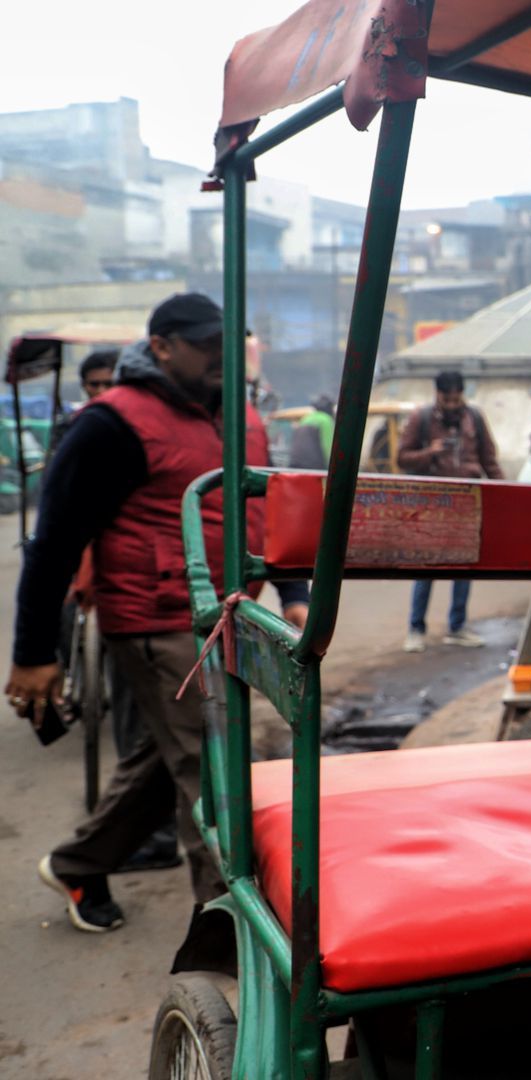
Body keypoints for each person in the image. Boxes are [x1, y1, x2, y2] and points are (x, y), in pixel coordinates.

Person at [8, 293, 310, 932]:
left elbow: (268, 509)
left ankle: (78, 864)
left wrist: (295, 592)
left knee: (171, 757)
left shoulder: (242, 415)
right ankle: (231, 930)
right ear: (164, 346)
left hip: (230, 617)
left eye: (226, 345)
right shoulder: (111, 423)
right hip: (158, 619)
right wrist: (35, 652)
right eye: (205, 345)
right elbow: (56, 540)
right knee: (216, 770)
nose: (219, 358)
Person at [55, 345, 180, 873]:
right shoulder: (84, 429)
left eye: (108, 382)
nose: (100, 392)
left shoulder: (148, 429)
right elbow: (61, 522)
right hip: (110, 586)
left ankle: (114, 845)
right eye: (91, 385)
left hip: (152, 595)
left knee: (160, 725)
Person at [397, 370, 503, 652]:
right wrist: (430, 452)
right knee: (425, 567)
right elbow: (402, 458)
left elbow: (489, 461)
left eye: (457, 399)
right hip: (431, 503)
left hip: (467, 502)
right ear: (438, 395)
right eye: (447, 399)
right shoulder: (421, 419)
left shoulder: (475, 419)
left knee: (464, 565)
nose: (453, 405)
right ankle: (416, 628)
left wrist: (504, 493)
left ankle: (457, 627)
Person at [287, 393, 335, 471]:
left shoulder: (305, 418)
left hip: (295, 464)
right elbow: (327, 446)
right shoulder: (326, 420)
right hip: (313, 467)